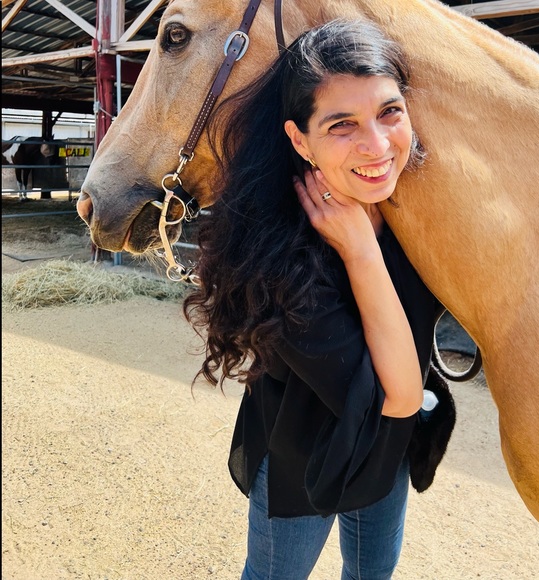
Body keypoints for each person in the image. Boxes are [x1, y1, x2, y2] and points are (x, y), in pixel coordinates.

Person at [184, 19, 439, 579]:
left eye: (389, 112)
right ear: (300, 141)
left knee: (372, 574)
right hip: (302, 453)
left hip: (387, 451)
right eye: (342, 124)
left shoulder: (416, 212)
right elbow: (399, 396)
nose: (377, 145)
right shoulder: (276, 259)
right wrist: (360, 251)